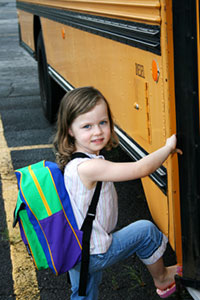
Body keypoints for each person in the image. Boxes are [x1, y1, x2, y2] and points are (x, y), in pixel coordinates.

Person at [53, 86, 182, 300]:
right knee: (146, 231)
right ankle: (163, 279)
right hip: (94, 251)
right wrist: (168, 148)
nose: (97, 131)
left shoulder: (76, 161)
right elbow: (140, 169)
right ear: (69, 130)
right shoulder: (88, 168)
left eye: (103, 122)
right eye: (87, 126)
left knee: (84, 292)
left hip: (78, 250)